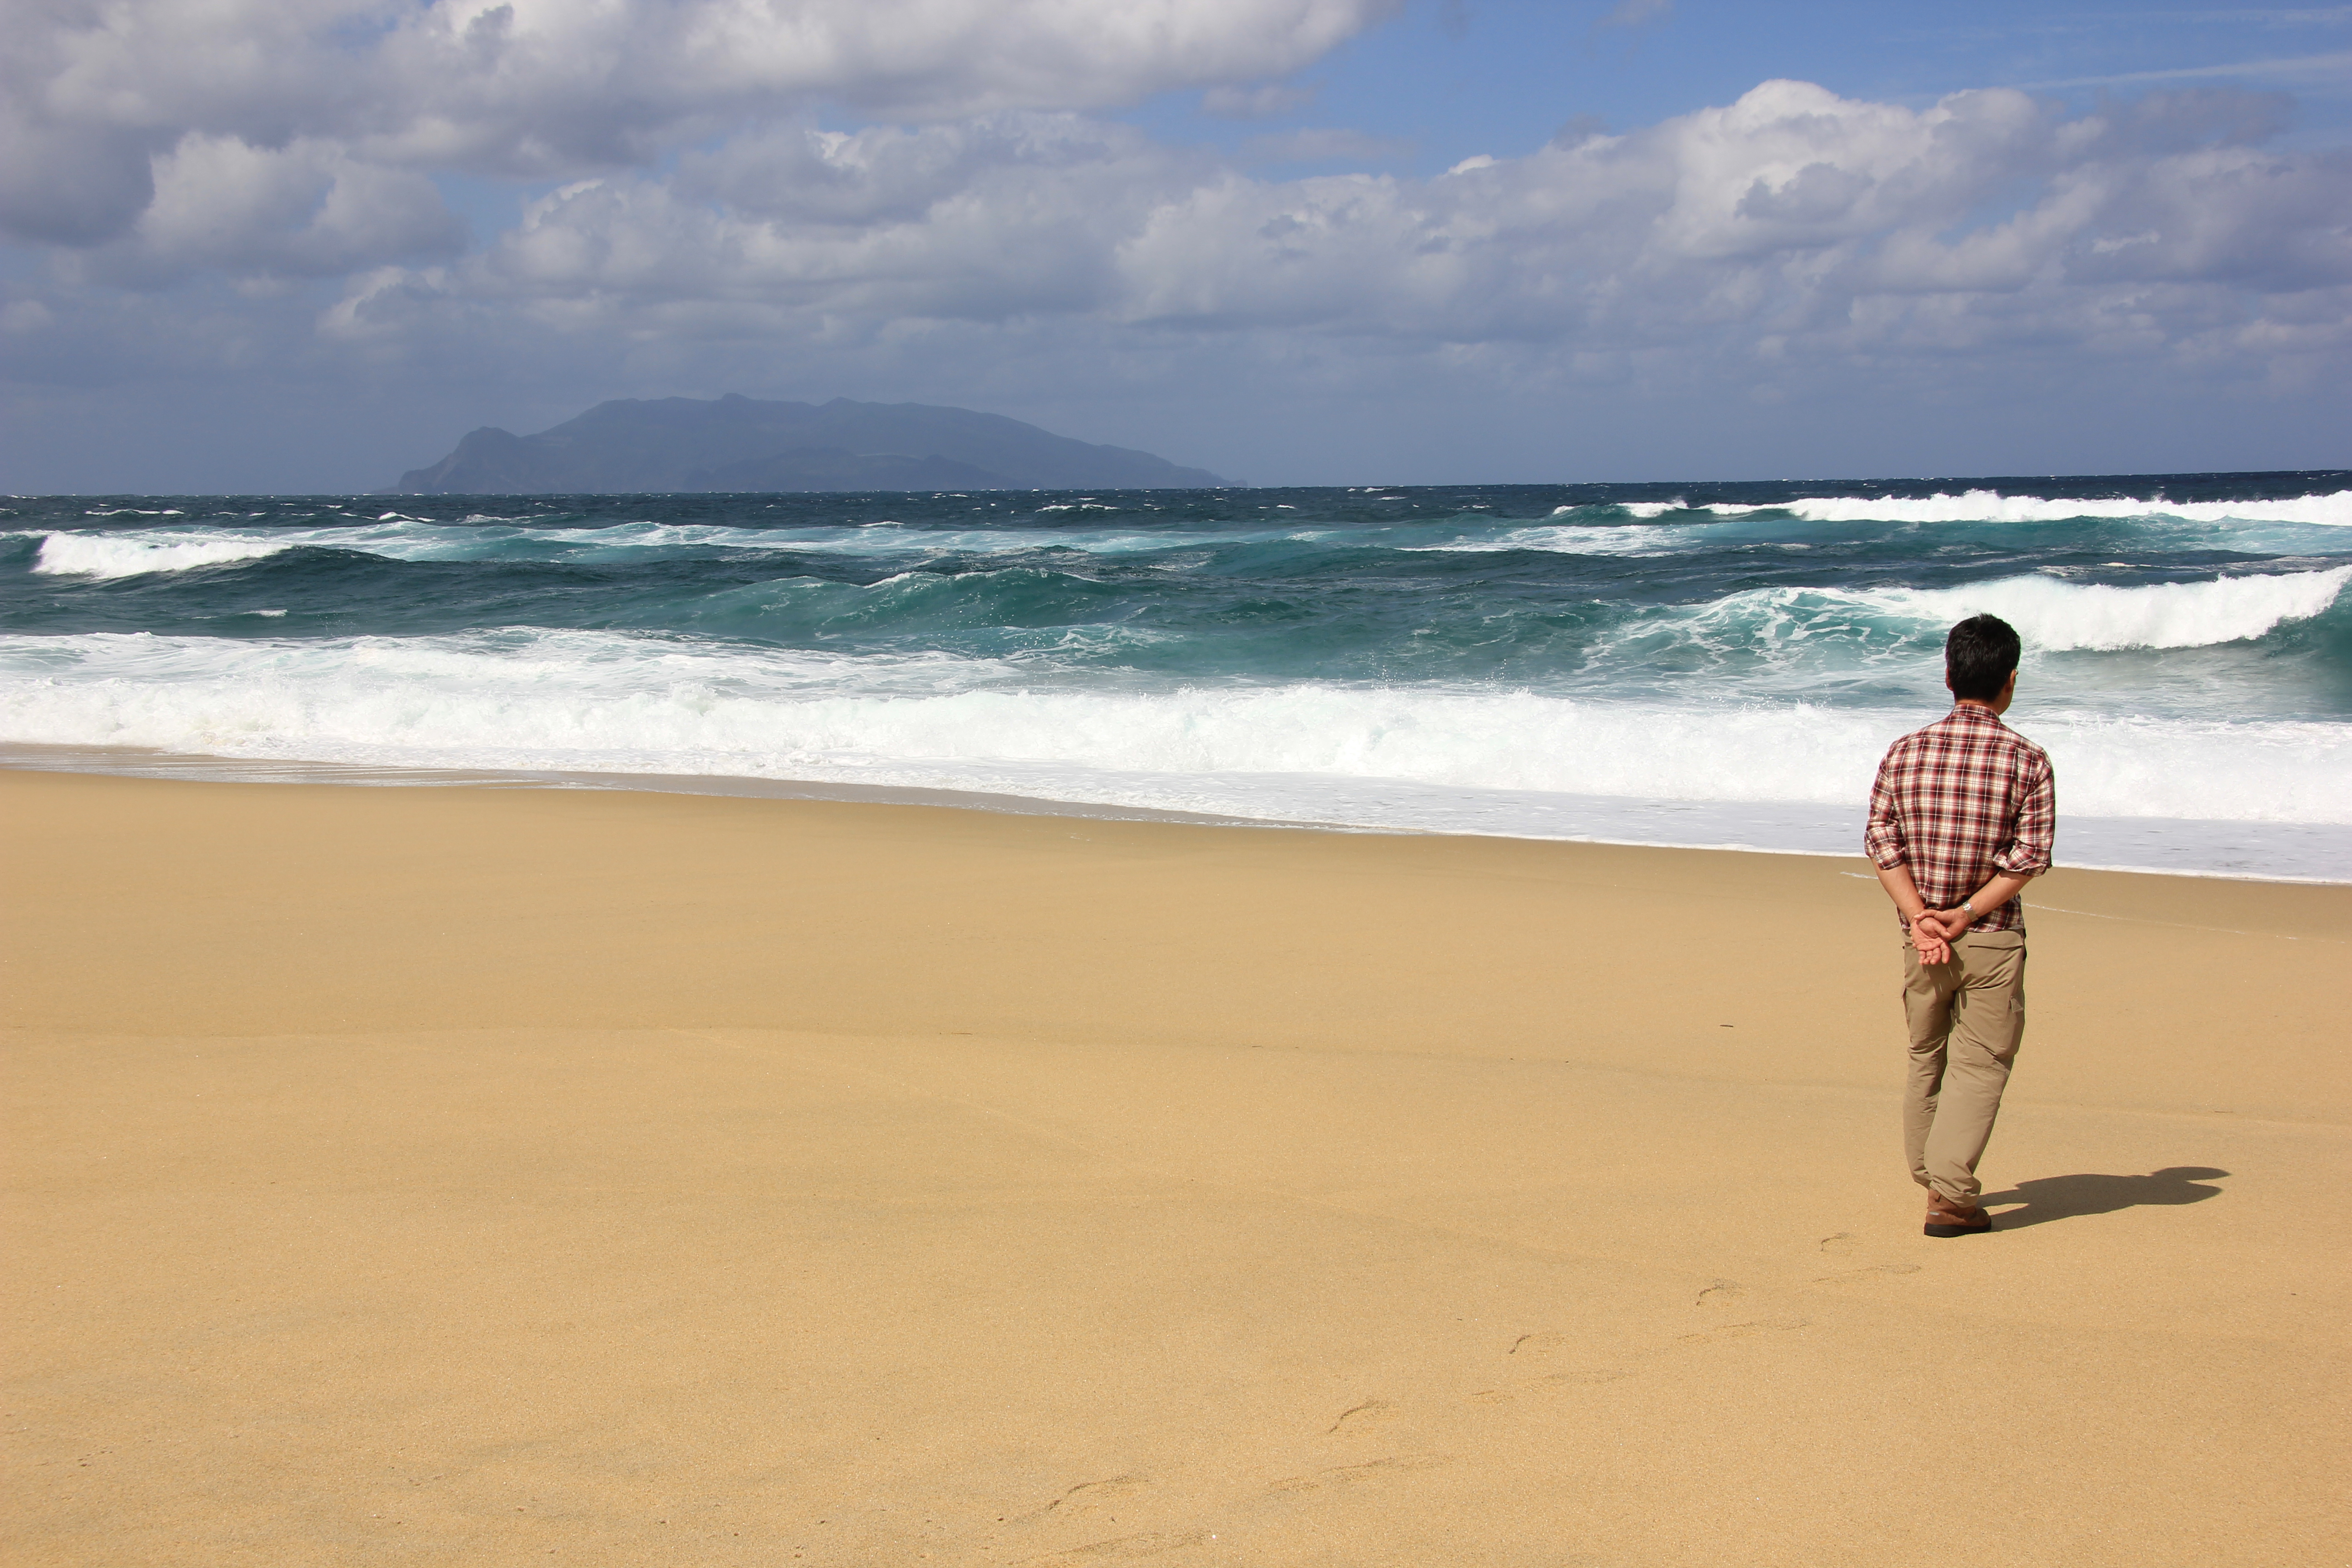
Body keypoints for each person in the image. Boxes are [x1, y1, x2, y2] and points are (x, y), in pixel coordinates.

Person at [1864, 614, 2054, 1238]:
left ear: (1948, 676)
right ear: (2011, 681)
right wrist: (1966, 913)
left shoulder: (1906, 751)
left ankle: (1931, 1174)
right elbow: (2030, 857)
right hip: (1991, 934)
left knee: (1926, 1054)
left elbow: (1881, 841)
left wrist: (1920, 916)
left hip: (1920, 939)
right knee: (1982, 1063)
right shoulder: (2028, 759)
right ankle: (1950, 1197)